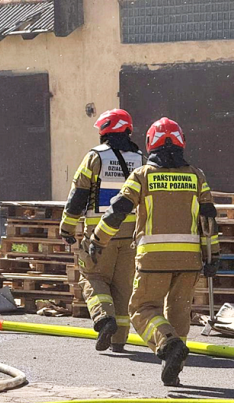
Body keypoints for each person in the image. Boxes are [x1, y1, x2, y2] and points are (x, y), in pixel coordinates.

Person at [89, 117, 219, 386]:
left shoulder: (142, 176)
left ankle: (168, 345)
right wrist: (212, 256)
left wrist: (98, 238)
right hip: (190, 261)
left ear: (151, 144)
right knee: (179, 311)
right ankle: (175, 366)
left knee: (141, 308)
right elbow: (208, 220)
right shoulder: (197, 175)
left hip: (153, 260)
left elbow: (118, 211)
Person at [59, 109, 145, 352]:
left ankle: (103, 318)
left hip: (99, 234)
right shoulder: (141, 159)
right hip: (130, 236)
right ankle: (119, 341)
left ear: (105, 131)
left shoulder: (95, 157)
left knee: (92, 277)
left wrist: (67, 227)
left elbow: (79, 195)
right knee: (123, 286)